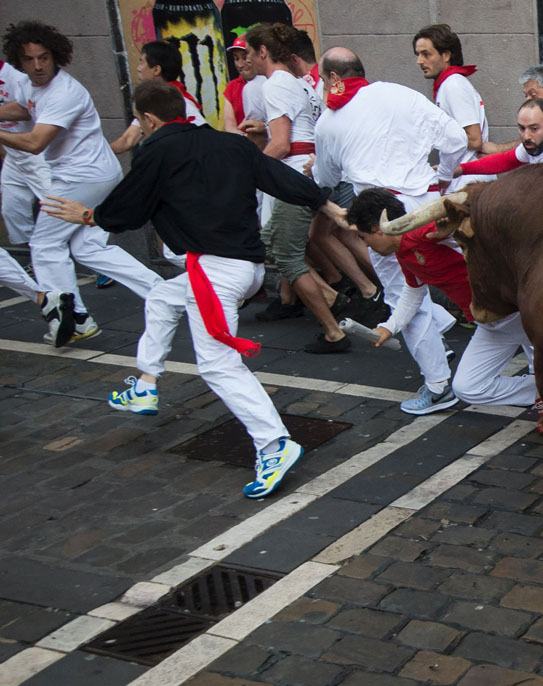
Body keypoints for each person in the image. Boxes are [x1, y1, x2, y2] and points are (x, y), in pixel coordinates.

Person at [42, 81, 348, 499]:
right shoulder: (231, 144)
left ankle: (274, 443)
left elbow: (130, 206)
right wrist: (326, 204)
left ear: (149, 119)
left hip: (216, 273)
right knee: (163, 297)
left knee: (218, 366)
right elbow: (278, 177)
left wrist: (90, 215)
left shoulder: (156, 151)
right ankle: (146, 382)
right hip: (244, 267)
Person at [313, 47, 469, 414]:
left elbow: (326, 178)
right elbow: (456, 141)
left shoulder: (329, 122)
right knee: (463, 272)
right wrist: (443, 179)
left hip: (382, 217)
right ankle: (450, 335)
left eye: (323, 80)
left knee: (405, 296)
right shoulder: (399, 93)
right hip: (428, 205)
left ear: (334, 79)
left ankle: (439, 385)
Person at [0, 20, 162, 344]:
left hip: (84, 177)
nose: (37, 65)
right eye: (30, 59)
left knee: (45, 244)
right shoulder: (29, 84)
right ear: (19, 61)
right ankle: (163, 291)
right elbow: (24, 108)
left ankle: (75, 319)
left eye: (44, 57)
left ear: (55, 56)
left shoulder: (65, 92)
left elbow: (35, 143)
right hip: (91, 173)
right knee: (86, 248)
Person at [244, 23, 348, 353]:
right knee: (285, 248)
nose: (248, 60)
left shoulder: (274, 84)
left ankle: (333, 315)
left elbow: (280, 144)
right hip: (303, 174)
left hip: (288, 176)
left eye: (250, 53)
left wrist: (244, 173)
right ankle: (330, 300)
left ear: (263, 53)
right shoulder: (299, 83)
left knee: (283, 252)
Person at [347, 188, 470, 415]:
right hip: (487, 316)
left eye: (363, 238)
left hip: (507, 308)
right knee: (470, 387)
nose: (365, 246)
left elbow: (475, 234)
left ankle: (438, 387)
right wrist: (388, 328)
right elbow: (413, 292)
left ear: (377, 230)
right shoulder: (403, 252)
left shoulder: (424, 233)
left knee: (539, 360)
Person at [413, 24, 489, 192]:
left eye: (426, 54)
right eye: (418, 54)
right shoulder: (450, 83)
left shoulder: (453, 85)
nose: (420, 61)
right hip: (465, 179)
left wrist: (434, 139)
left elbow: (474, 139)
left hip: (468, 183)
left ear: (446, 55)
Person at [110, 40, 206, 155]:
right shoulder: (152, 101)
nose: (138, 68)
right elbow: (127, 141)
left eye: (142, 63)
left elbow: (204, 136)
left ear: (156, 70)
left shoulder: (181, 102)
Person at [0, 52, 52, 253]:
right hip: (14, 157)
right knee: (13, 211)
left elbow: (27, 109)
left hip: (36, 154)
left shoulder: (16, 76)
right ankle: (39, 257)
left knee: (58, 208)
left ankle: (95, 257)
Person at [456, 98, 543, 177]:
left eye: (534, 129)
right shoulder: (536, 143)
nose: (526, 136)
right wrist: (462, 169)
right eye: (522, 128)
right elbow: (506, 161)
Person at [222, 35, 267, 150]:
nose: (240, 64)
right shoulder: (232, 87)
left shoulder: (271, 81)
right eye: (236, 58)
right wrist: (247, 140)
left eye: (245, 57)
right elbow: (230, 126)